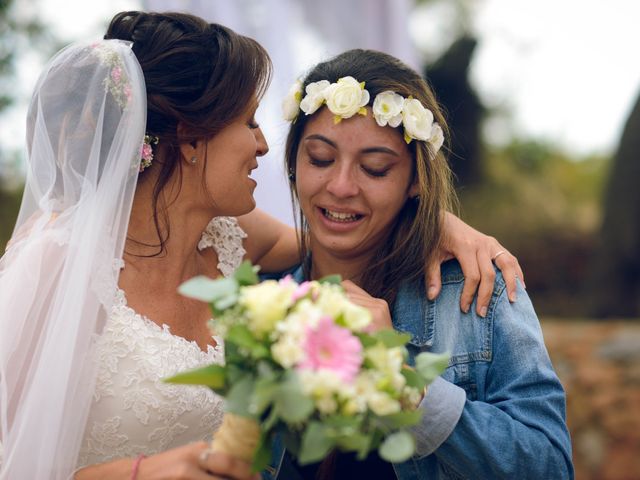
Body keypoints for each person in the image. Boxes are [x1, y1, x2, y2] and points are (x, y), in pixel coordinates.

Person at [0, 11, 520, 480]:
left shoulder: (234, 238)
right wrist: (140, 473)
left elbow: (344, 231)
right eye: (248, 121)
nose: (264, 144)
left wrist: (435, 218)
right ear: (191, 138)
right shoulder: (56, 263)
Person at [263, 49, 573, 479]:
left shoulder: (478, 289)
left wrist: (402, 381)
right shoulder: (256, 296)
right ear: (295, 162)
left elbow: (549, 467)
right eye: (320, 158)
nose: (341, 186)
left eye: (374, 169)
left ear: (414, 182)